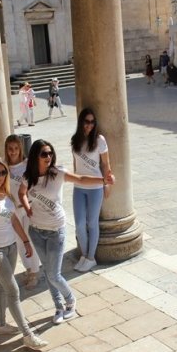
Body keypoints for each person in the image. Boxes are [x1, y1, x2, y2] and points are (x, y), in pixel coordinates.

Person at [19, 139, 114, 324]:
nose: (48, 157)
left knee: (54, 274)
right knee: (48, 272)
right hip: (36, 231)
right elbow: (21, 192)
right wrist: (26, 207)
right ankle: (58, 307)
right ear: (35, 157)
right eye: (44, 154)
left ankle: (70, 300)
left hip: (56, 231)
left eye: (50, 153)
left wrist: (103, 180)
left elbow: (81, 179)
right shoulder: (28, 176)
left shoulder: (57, 173)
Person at [0, 156, 49, 350]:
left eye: (3, 172)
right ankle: (28, 335)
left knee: (2, 286)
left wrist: (25, 241)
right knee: (13, 291)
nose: (0, 176)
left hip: (11, 247)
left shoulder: (5, 196)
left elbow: (13, 220)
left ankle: (0, 325)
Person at [71, 108, 113, 273]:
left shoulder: (99, 140)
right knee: (79, 224)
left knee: (91, 222)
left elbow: (106, 164)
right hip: (79, 187)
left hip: (95, 186)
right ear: (81, 122)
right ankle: (84, 255)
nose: (89, 125)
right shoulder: (75, 140)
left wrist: (107, 184)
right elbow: (75, 164)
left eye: (92, 122)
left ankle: (90, 258)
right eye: (86, 121)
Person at [4, 134, 41, 290]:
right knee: (19, 241)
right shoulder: (4, 168)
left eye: (16, 148)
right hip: (13, 211)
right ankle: (28, 268)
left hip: (27, 207)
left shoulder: (27, 165)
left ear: (20, 149)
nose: (13, 152)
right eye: (10, 149)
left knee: (30, 240)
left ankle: (35, 272)